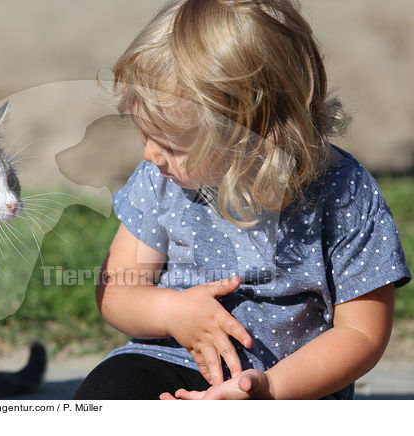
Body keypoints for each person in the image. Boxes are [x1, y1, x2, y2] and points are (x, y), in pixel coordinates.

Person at [73, 0, 411, 400]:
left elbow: (361, 332)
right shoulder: (161, 179)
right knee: (106, 394)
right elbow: (117, 289)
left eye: (169, 144)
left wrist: (269, 390)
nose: (149, 154)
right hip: (174, 361)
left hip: (291, 385)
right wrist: (172, 311)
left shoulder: (343, 196)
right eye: (145, 135)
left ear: (251, 140)